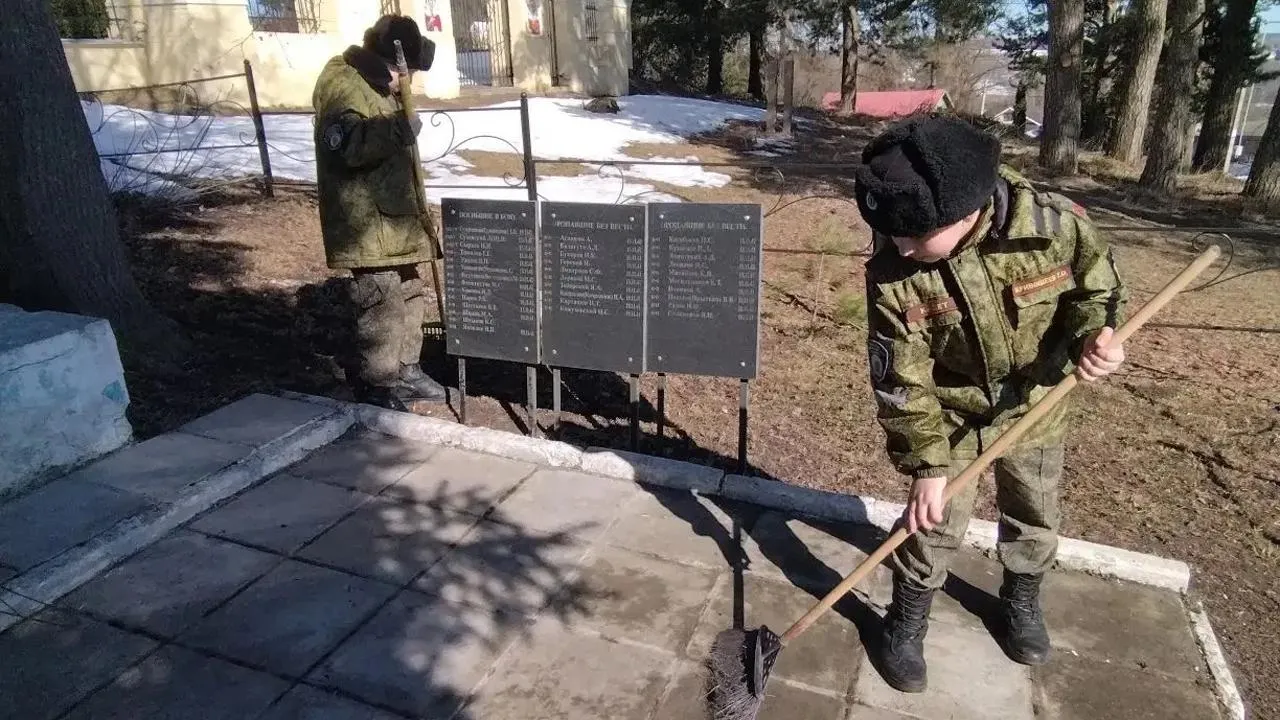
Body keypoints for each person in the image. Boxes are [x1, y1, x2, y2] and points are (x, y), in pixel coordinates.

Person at [854, 115, 1128, 693]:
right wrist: (927, 466)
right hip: (949, 413)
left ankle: (1021, 600)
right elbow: (900, 376)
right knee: (930, 520)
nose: (899, 246)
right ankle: (908, 616)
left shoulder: (1053, 227)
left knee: (1033, 510)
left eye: (911, 235)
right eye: (893, 234)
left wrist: (1094, 339)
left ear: (962, 213)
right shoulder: (894, 265)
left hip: (1036, 402)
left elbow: (1095, 290)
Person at [312, 14, 447, 410]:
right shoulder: (342, 82)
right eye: (402, 73)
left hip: (397, 221)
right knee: (380, 300)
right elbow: (347, 143)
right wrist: (397, 129)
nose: (406, 83)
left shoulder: (381, 86)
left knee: (409, 292)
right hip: (366, 222)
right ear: (385, 61)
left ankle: (406, 370)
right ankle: (379, 384)